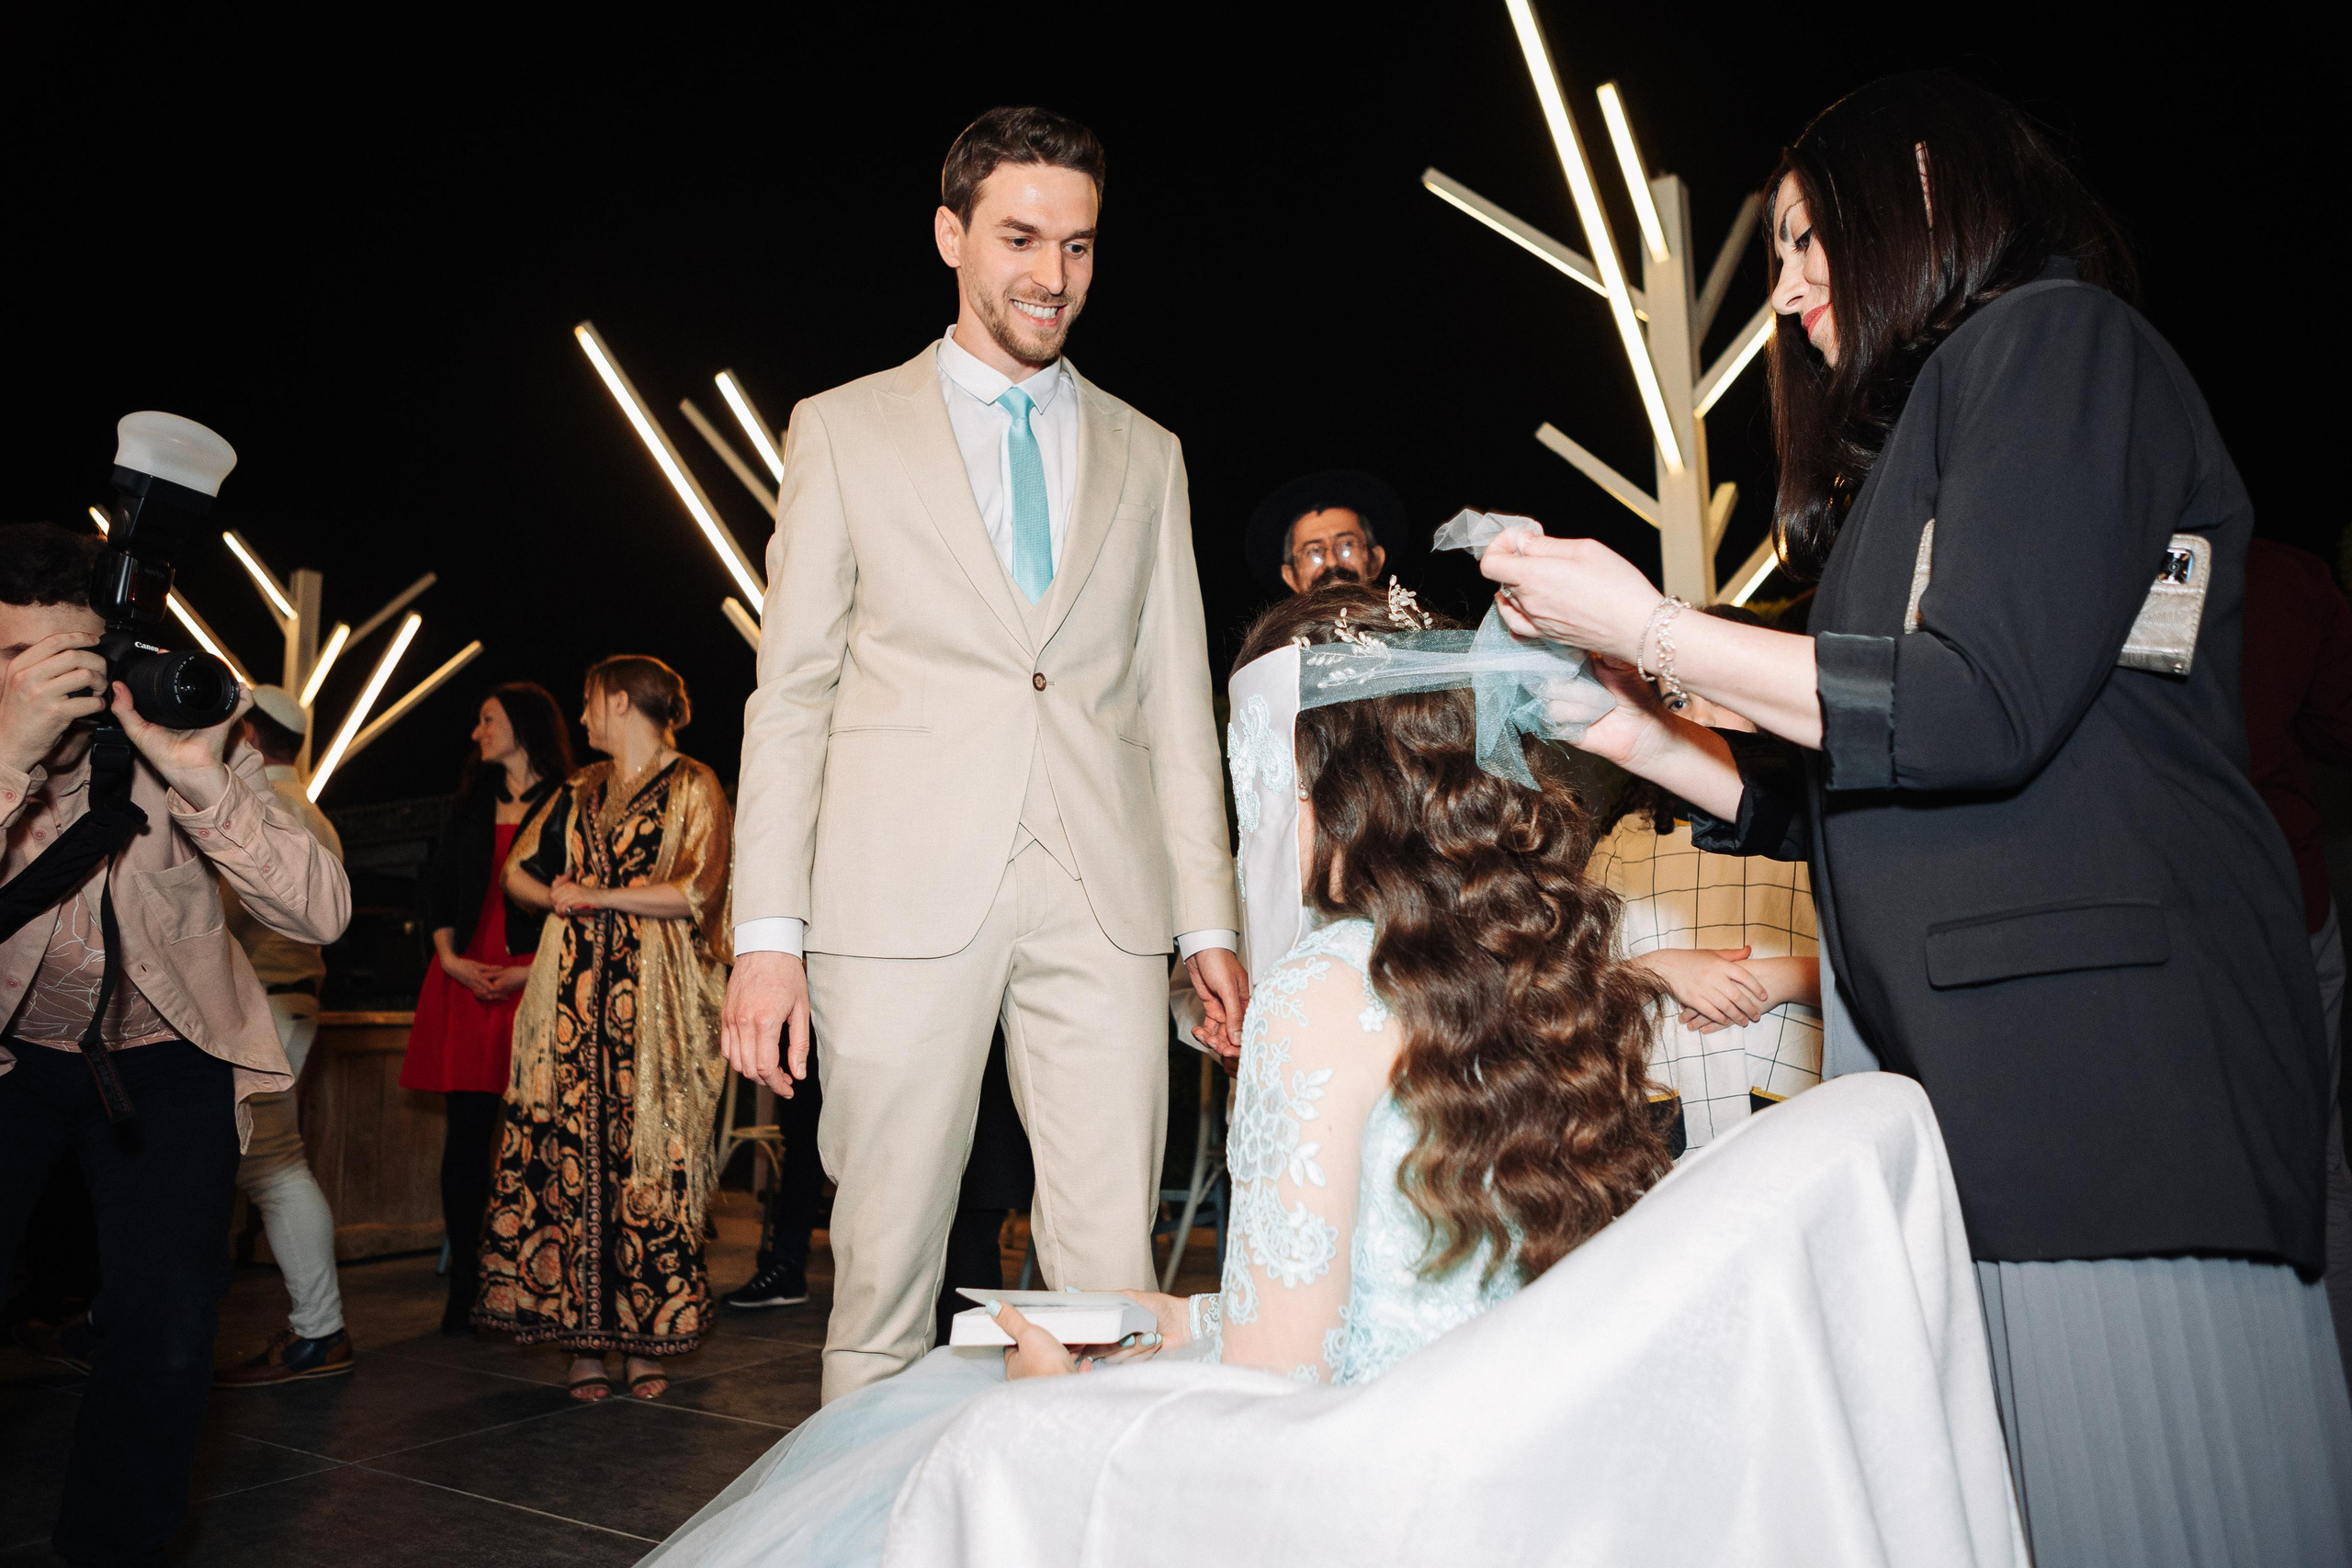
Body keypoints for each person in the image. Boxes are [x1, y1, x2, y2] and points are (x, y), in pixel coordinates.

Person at [1476, 72, 2352, 1564]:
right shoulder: (1945, 428)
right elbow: (1880, 789)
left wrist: (1659, 624)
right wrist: (1631, 722)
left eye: (1818, 240)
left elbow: (1976, 704)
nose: (1796, 288)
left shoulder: (2062, 344)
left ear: (1931, 197)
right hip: (1993, 1097)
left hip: (2101, 1106)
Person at [646, 580, 1668, 1566]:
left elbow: (1274, 1409)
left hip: (1355, 1494)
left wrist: (1052, 1400)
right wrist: (1179, 1318)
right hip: (1511, 1472)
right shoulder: (1539, 963)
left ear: (1310, 781)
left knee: (954, 1440)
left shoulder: (1322, 989)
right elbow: (1410, 1298)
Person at [722, 105, 1249, 1404]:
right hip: (895, 900)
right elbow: (789, 693)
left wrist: (1207, 923)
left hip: (1105, 896)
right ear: (950, 232)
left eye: (1077, 245)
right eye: (1020, 237)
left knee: (1112, 1290)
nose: (1052, 276)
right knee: (885, 1280)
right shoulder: (841, 428)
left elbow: (1178, 703)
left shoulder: (1149, 450)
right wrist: (766, 935)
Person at [0, 521, 350, 1563]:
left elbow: (321, 912)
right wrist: (11, 752)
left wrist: (201, 777)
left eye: (69, 657)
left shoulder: (172, 736)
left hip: (169, 1060)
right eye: (16, 658)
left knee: (163, 1339)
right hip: (12, 1062)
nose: (46, 681)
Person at [476, 656, 730, 1403]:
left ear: (621, 701)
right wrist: (555, 898)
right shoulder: (579, 787)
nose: (582, 720)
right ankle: (584, 1345)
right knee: (570, 1161)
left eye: (590, 703)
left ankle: (645, 1339)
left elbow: (699, 889)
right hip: (571, 1004)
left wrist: (597, 893)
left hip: (652, 1014)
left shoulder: (694, 785)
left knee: (645, 1165)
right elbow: (517, 870)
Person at [1587, 610, 1822, 1151]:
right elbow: (1584, 991)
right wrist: (1665, 970)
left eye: (1726, 691)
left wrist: (1783, 979)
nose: (1706, 716)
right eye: (1678, 700)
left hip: (1801, 1100)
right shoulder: (1629, 837)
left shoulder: (1819, 826)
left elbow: (1881, 975)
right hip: (1665, 1124)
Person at [401, 682, 571, 1335]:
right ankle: (468, 1289)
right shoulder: (472, 802)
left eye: (487, 719)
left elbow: (576, 901)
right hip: (468, 982)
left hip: (539, 986)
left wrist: (530, 967)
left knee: (545, 1144)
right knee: (466, 1142)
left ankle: (540, 1287)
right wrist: (447, 957)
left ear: (522, 726)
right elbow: (437, 885)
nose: (477, 732)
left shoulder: (569, 800)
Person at [213, 685, 354, 1386]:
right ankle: (316, 1329)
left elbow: (221, 923)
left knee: (269, 1167)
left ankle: (318, 1330)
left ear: (245, 731)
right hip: (292, 1001)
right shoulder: (315, 812)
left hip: (256, 1006)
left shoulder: (259, 806)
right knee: (267, 1165)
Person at [2240, 537, 2352, 1378]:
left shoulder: (2090, 564)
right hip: (2290, 895)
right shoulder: (2286, 576)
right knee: (2318, 1164)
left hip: (2171, 918)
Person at [1244, 468, 1409, 597]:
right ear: (1291, 576)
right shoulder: (1276, 641)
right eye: (1313, 551)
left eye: (1347, 545)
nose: (1332, 562)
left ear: (1375, 561)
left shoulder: (1411, 636)